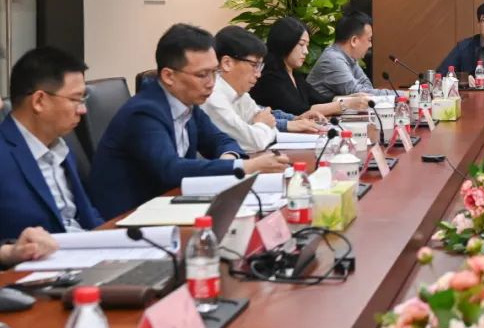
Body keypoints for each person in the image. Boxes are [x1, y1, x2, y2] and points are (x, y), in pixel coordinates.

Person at [89, 24, 290, 218]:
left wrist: (228, 157)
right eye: (202, 75)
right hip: (127, 217)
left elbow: (221, 140)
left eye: (214, 72)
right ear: (169, 76)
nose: (211, 83)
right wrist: (244, 167)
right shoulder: (144, 112)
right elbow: (170, 169)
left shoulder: (188, 104)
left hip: (168, 204)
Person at [0, 47, 104, 242]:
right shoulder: (4, 153)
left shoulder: (61, 147)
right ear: (39, 101)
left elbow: (88, 217)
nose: (82, 110)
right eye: (75, 99)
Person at [203, 26, 322, 154]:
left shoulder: (240, 94)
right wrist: (262, 126)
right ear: (227, 63)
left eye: (260, 66)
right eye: (254, 65)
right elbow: (254, 142)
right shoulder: (213, 97)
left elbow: (269, 126)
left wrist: (261, 127)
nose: (258, 74)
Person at [250, 17, 371, 117]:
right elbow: (300, 111)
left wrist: (349, 98)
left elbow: (320, 99)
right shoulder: (269, 76)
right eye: (301, 45)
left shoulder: (294, 74)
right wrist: (345, 104)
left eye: (307, 46)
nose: (306, 51)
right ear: (285, 42)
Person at [307, 12, 393, 100]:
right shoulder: (333, 59)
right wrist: (398, 95)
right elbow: (359, 93)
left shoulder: (348, 57)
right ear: (354, 40)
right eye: (369, 39)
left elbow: (367, 86)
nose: (370, 45)